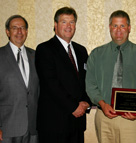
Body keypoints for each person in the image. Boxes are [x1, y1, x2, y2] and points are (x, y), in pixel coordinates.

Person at [86, 10, 136, 143]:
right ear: (110, 27)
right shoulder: (96, 54)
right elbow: (90, 84)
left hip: (131, 119)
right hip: (104, 117)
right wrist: (102, 104)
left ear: (129, 28)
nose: (118, 30)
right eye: (115, 26)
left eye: (122, 26)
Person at [35, 7, 91, 143]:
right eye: (64, 22)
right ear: (55, 25)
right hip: (54, 123)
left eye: (72, 22)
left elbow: (86, 80)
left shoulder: (81, 50)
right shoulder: (44, 49)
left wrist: (86, 103)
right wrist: (73, 107)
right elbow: (51, 83)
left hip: (77, 123)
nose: (68, 26)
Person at [0, 15, 39, 143]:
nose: (19, 32)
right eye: (15, 28)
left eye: (22, 28)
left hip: (33, 128)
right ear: (7, 32)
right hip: (7, 128)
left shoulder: (36, 56)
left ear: (27, 31)